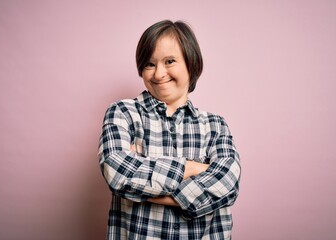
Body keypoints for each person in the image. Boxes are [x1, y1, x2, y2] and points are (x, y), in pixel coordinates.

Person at [98, 20, 241, 240]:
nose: (158, 74)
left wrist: (145, 190)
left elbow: (228, 184)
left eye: (170, 61)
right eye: (149, 64)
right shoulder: (123, 113)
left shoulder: (215, 126)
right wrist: (192, 168)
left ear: (191, 64)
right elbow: (117, 172)